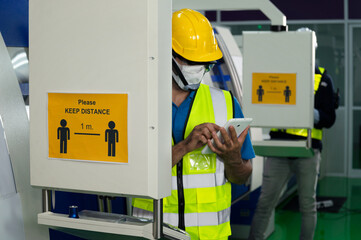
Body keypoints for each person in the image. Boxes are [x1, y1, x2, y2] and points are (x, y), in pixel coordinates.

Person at [133, 9, 255, 240]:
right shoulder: (139, 104)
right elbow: (132, 176)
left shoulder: (226, 103)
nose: (198, 70)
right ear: (164, 54)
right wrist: (184, 146)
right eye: (190, 61)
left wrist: (233, 158)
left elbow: (242, 176)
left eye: (205, 64)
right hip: (152, 232)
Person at [248, 28, 337, 240]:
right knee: (264, 204)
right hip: (278, 149)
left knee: (307, 205)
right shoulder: (278, 74)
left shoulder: (323, 80)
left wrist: (309, 113)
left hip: (308, 151)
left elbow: (329, 118)